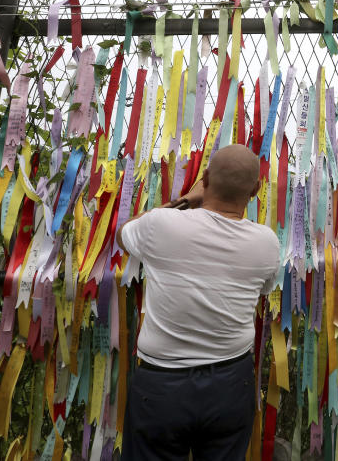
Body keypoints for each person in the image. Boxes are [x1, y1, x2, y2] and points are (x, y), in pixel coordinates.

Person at [118, 144, 281, 461]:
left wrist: (184, 201)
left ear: (204, 179)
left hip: (162, 386)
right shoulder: (267, 243)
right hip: (231, 385)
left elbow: (124, 232)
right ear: (257, 190)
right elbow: (264, 289)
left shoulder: (162, 224)